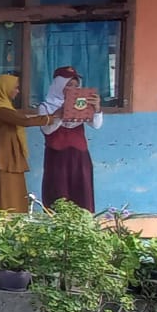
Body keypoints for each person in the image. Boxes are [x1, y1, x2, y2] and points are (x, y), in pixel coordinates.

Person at [0, 74, 54, 213]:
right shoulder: (0, 109)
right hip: (2, 157)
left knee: (12, 192)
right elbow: (25, 121)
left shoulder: (3, 107)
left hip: (8, 156)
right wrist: (51, 118)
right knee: (2, 194)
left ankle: (12, 219)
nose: (17, 91)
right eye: (15, 88)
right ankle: (2, 221)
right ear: (4, 89)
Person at [38, 66, 102, 212]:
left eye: (76, 85)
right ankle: (58, 223)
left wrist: (97, 109)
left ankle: (83, 222)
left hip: (79, 154)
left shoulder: (82, 103)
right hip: (57, 155)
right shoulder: (46, 106)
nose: (73, 89)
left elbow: (96, 125)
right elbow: (47, 130)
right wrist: (61, 113)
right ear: (59, 86)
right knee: (58, 191)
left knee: (82, 191)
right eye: (69, 85)